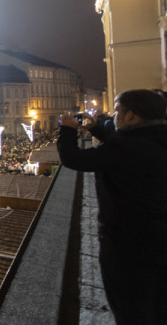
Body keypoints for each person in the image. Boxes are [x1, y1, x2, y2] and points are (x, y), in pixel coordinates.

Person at [57, 89, 167, 324]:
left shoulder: (127, 148)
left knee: (132, 308)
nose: (113, 117)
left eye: (117, 112)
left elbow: (73, 159)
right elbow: (126, 149)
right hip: (157, 235)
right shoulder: (156, 137)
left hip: (130, 242)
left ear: (131, 116)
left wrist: (67, 130)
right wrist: (96, 129)